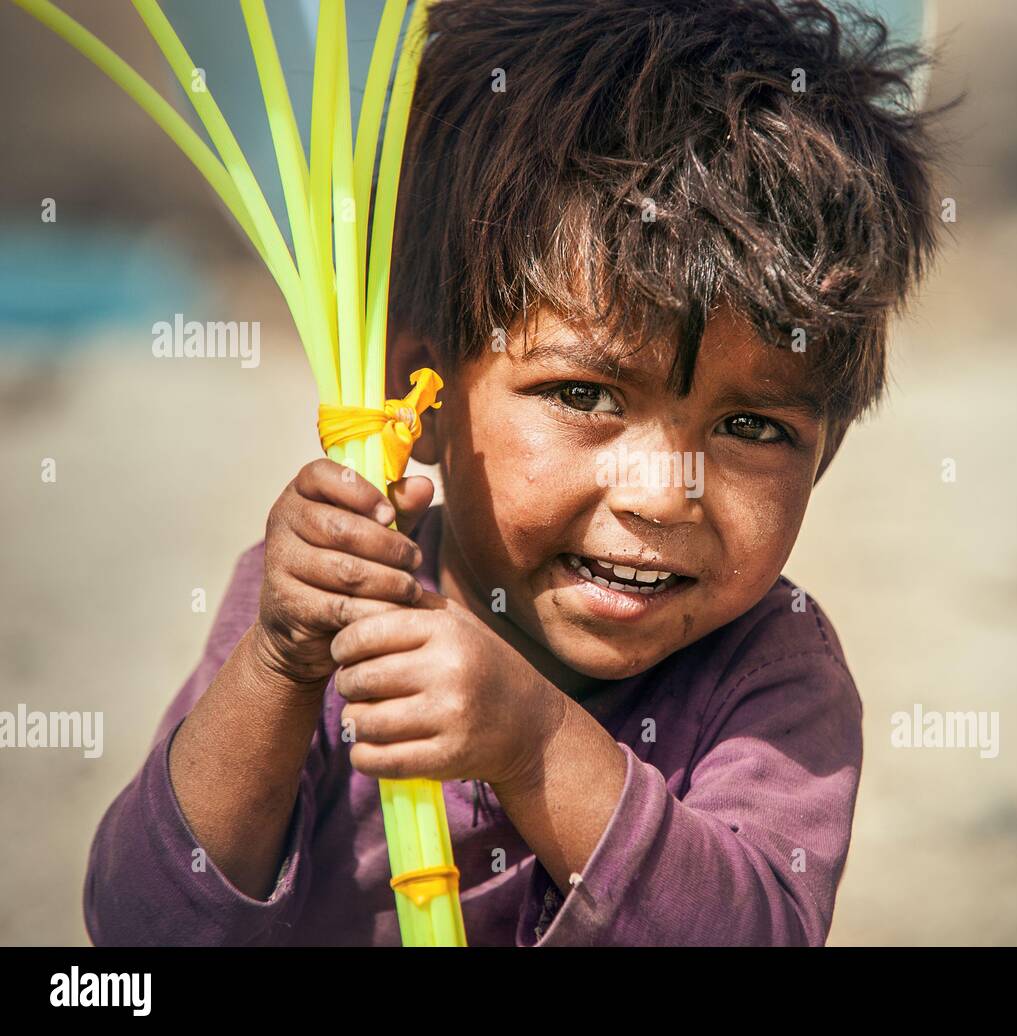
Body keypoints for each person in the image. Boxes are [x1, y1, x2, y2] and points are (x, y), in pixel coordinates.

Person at [84, 0, 943, 946]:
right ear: (420, 395)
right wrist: (280, 664)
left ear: (828, 452)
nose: (664, 494)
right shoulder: (326, 606)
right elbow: (140, 931)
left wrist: (535, 746)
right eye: (583, 395)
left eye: (750, 425)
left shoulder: (773, 675)